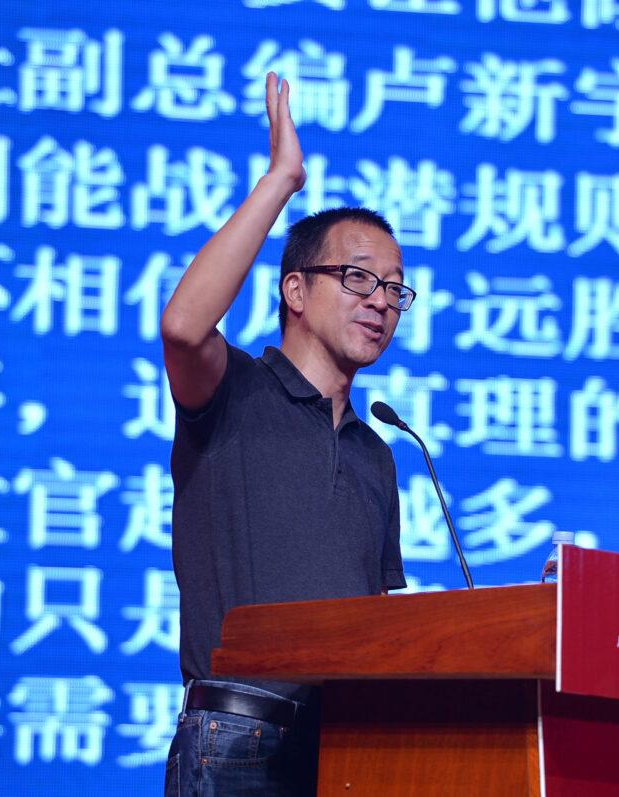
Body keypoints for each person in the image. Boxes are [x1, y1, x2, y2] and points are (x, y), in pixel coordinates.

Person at [160, 72, 411, 796]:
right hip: (238, 740)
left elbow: (379, 628)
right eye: (359, 279)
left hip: (348, 752)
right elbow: (182, 325)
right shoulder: (233, 390)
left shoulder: (379, 452)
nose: (381, 303)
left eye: (395, 288)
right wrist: (281, 181)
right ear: (294, 290)